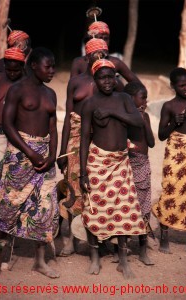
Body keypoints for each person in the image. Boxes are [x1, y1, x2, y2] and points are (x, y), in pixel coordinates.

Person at [80, 58, 146, 279]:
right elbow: (83, 141)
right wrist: (82, 173)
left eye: (111, 77)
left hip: (120, 162)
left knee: (124, 208)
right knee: (94, 207)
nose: (107, 82)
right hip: (98, 161)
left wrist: (113, 114)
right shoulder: (89, 104)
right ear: (95, 80)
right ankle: (95, 257)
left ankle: (124, 260)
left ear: (116, 78)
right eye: (102, 78)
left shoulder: (124, 99)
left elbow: (138, 121)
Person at [57, 38, 124, 256]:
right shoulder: (76, 82)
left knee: (99, 188)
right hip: (76, 140)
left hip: (101, 140)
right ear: (87, 56)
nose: (101, 57)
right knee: (74, 189)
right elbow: (68, 117)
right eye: (97, 53)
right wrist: (62, 150)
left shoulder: (108, 81)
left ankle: (102, 236)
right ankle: (70, 239)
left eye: (105, 53)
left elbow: (127, 96)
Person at [0, 47, 60, 278]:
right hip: (19, 157)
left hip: (44, 158)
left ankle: (40, 261)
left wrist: (52, 155)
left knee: (43, 211)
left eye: (53, 66)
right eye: (48, 66)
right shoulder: (17, 90)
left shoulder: (51, 94)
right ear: (33, 66)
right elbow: (8, 125)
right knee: (7, 208)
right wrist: (29, 152)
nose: (52, 71)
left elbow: (53, 128)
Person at [152, 67, 186, 254]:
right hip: (175, 155)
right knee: (171, 190)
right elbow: (162, 135)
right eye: (181, 85)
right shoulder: (169, 106)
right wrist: (175, 123)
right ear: (173, 86)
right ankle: (164, 238)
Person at [124, 81, 155, 265]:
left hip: (141, 164)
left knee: (143, 205)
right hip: (125, 164)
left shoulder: (146, 117)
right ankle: (121, 246)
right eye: (142, 97)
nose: (145, 101)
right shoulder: (123, 117)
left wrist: (144, 121)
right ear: (130, 98)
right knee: (126, 204)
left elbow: (150, 142)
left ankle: (143, 250)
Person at [70, 20, 141, 84]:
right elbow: (72, 90)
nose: (103, 41)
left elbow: (138, 86)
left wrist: (124, 97)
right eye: (100, 38)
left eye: (106, 38)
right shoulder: (79, 63)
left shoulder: (116, 62)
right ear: (91, 39)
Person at [0, 47, 25, 172]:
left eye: (16, 70)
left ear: (23, 66)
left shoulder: (27, 82)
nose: (12, 73)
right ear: (4, 65)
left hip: (20, 134)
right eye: (9, 70)